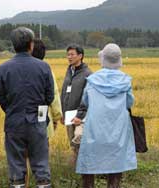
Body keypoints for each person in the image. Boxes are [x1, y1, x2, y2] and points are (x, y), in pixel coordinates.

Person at [0, 27, 54, 188]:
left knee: (16, 165)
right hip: (37, 121)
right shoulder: (43, 67)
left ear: (13, 45)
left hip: (14, 121)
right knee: (41, 164)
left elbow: (1, 97)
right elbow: (50, 96)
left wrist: (13, 110)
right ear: (31, 45)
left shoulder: (4, 68)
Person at [75, 43, 137, 188]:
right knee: (116, 162)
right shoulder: (125, 81)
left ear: (103, 58)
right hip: (118, 129)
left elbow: (85, 100)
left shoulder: (92, 80)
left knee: (90, 161)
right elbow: (129, 102)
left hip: (95, 128)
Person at [60, 44, 92, 166]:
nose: (69, 57)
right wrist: (63, 113)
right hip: (68, 115)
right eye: (68, 54)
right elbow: (64, 92)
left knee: (80, 142)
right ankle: (76, 169)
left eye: (72, 54)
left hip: (81, 117)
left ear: (80, 56)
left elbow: (88, 98)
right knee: (72, 144)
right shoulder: (69, 71)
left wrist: (80, 115)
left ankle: (85, 170)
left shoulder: (87, 74)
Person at [32, 39, 62, 137]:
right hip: (42, 111)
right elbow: (53, 94)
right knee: (41, 143)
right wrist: (56, 116)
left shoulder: (16, 68)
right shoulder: (45, 69)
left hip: (19, 117)